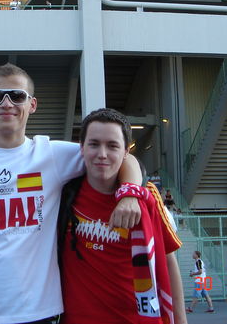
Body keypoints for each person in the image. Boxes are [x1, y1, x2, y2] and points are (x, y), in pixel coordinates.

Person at [0, 63, 142, 324]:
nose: (7, 103)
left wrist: (131, 193)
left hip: (37, 312)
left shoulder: (51, 154)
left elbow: (122, 157)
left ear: (32, 105)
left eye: (17, 96)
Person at [58, 108, 187, 324]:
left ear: (126, 151)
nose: (102, 154)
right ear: (81, 148)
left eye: (112, 146)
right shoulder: (63, 193)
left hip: (135, 318)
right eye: (94, 144)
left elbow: (168, 262)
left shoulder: (147, 198)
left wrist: (181, 320)